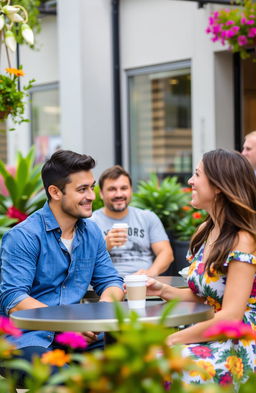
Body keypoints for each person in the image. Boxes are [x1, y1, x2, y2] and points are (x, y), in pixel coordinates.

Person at [0, 150, 124, 383]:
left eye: (91, 187)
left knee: (131, 363)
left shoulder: (92, 233)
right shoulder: (24, 236)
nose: (91, 196)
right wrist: (66, 326)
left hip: (78, 337)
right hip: (27, 340)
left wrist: (100, 315)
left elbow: (111, 282)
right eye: (81, 190)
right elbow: (13, 298)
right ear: (55, 192)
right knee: (64, 381)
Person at [146, 149, 256, 385]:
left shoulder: (243, 240)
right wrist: (163, 291)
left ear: (218, 186)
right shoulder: (205, 232)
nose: (190, 181)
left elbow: (231, 316)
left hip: (238, 342)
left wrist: (173, 340)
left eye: (197, 174)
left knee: (158, 365)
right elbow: (208, 296)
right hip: (207, 332)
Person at [91, 165, 173, 277]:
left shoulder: (147, 217)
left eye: (124, 188)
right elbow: (81, 261)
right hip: (106, 284)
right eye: (112, 189)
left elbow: (166, 253)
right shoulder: (91, 222)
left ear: (131, 190)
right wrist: (104, 246)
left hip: (144, 282)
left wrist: (150, 273)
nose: (119, 194)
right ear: (101, 193)